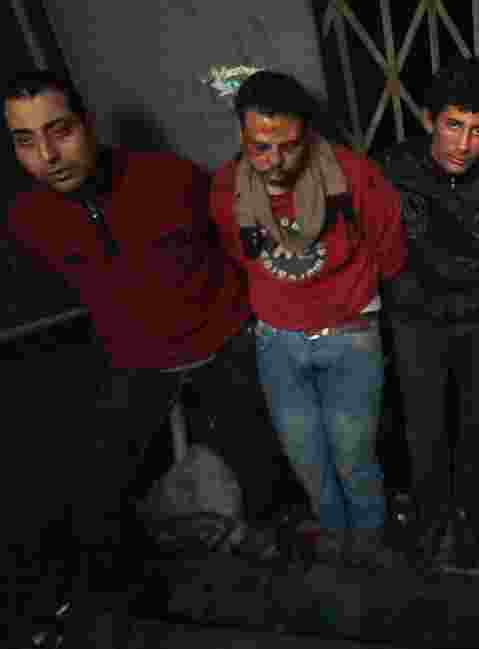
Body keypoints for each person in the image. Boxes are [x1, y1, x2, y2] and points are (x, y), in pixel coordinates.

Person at [3, 69, 279, 639]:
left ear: (88, 125)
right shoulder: (27, 218)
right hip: (137, 361)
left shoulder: (170, 178)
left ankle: (278, 576)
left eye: (60, 131)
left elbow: (242, 247)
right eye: (26, 141)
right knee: (92, 492)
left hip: (220, 343)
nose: (48, 155)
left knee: (266, 472)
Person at [209, 70, 406, 565]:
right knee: (306, 458)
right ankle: (334, 542)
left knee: (354, 454)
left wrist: (347, 301)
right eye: (260, 148)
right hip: (277, 342)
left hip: (350, 336)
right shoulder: (227, 189)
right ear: (241, 135)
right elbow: (236, 255)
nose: (275, 162)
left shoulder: (353, 175)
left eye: (289, 147)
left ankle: (371, 544)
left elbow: (389, 249)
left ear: (309, 134)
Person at [378, 57, 479, 569]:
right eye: (453, 126)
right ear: (429, 120)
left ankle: (470, 514)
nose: (463, 144)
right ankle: (429, 511)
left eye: (477, 131)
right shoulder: (394, 168)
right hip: (415, 317)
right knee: (423, 422)